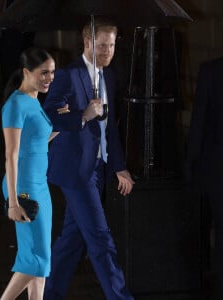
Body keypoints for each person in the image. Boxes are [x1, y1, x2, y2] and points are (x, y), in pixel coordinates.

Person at [43, 18, 135, 300]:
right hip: (75, 170)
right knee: (100, 238)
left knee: (72, 240)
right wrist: (83, 115)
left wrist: (119, 166)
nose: (108, 50)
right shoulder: (68, 75)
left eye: (111, 45)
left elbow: (111, 129)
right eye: (102, 45)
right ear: (87, 43)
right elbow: (49, 117)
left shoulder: (110, 77)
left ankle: (48, 295)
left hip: (98, 168)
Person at [0, 47, 58, 300]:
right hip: (24, 187)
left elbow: (35, 144)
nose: (49, 78)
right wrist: (13, 201)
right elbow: (11, 155)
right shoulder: (15, 104)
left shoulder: (34, 99)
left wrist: (75, 121)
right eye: (43, 73)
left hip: (39, 185)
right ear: (26, 72)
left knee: (39, 256)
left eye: (52, 72)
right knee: (36, 258)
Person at [187, 55, 223, 300]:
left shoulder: (210, 71)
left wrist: (192, 168)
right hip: (217, 171)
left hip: (218, 171)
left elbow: (198, 123)